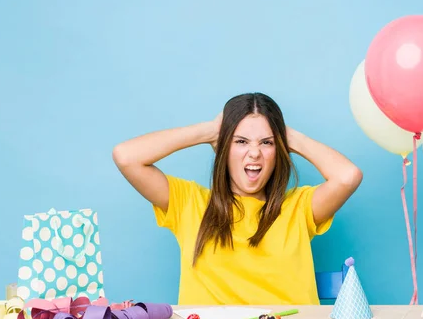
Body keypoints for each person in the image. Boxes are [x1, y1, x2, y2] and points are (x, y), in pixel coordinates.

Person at [112, 92, 362, 305]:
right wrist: (209, 131)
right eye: (241, 141)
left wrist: (288, 136)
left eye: (266, 143)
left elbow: (348, 177)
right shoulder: (189, 203)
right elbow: (126, 156)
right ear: (224, 147)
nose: (254, 153)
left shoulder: (300, 207)